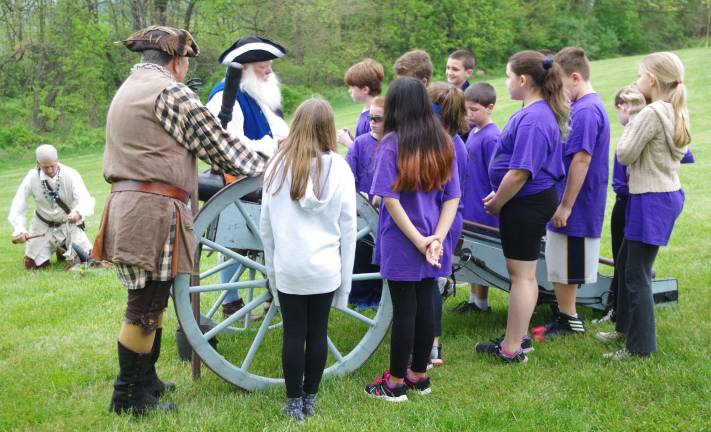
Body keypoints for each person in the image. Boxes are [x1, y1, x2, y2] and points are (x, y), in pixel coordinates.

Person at [91, 26, 268, 416]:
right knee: (145, 305)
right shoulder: (170, 91)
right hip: (151, 209)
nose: (186, 68)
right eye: (186, 61)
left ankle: (146, 380)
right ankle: (129, 398)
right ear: (177, 60)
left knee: (149, 299)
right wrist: (277, 167)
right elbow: (223, 150)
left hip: (134, 203)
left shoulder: (132, 86)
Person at [260, 98, 357, 421]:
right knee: (317, 333)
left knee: (293, 333)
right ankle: (310, 397)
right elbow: (349, 228)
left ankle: (293, 402)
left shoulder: (276, 167)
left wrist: (273, 273)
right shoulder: (340, 169)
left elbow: (266, 228)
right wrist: (345, 279)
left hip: (289, 266)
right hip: (325, 268)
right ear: (328, 128)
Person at [364, 77, 460, 401]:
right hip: (435, 239)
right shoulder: (443, 141)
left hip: (405, 240)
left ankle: (393, 384)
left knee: (404, 309)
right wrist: (437, 238)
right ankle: (419, 375)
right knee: (424, 305)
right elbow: (452, 198)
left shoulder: (392, 142)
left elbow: (389, 200)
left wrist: (420, 241)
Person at [474, 51, 568, 363]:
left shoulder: (536, 119)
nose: (506, 81)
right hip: (522, 201)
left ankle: (513, 348)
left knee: (522, 276)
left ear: (523, 80)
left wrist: (498, 201)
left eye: (508, 76)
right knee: (519, 274)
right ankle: (518, 338)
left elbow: (520, 172)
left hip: (526, 202)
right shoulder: (530, 111)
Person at [598, 52, 690, 359]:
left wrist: (633, 121)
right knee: (626, 263)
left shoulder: (651, 114)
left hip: (651, 198)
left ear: (651, 80)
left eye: (640, 76)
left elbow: (624, 154)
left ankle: (640, 349)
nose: (636, 81)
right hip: (657, 196)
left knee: (637, 274)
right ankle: (624, 328)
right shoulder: (673, 107)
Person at [205, 35, 289, 318]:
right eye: (263, 67)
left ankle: (277, 293)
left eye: (269, 66)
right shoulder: (224, 97)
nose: (269, 72)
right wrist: (272, 145)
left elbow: (281, 131)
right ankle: (231, 300)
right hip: (242, 182)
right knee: (234, 241)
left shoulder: (260, 96)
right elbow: (226, 144)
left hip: (271, 176)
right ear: (245, 70)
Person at [534, 47, 611, 341]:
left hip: (577, 202)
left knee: (568, 263)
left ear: (575, 78)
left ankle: (570, 320)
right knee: (559, 260)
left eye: (561, 84)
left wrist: (565, 205)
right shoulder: (582, 106)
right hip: (567, 199)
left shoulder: (587, 110)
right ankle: (563, 314)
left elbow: (581, 159)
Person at [426, 82, 469, 366]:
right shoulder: (452, 142)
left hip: (440, 220)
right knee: (432, 284)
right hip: (443, 219)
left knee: (432, 286)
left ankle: (432, 347)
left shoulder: (451, 147)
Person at [452, 83, 500, 314]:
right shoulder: (474, 132)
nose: (469, 115)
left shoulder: (491, 137)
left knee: (482, 255)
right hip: (469, 202)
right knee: (469, 253)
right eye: (467, 110)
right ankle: (473, 299)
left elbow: (496, 173)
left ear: (489, 108)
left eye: (474, 110)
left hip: (483, 206)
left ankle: (481, 302)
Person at [9, 144, 96, 270]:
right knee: (33, 265)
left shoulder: (71, 174)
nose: (50, 170)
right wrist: (19, 230)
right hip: (42, 228)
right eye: (45, 167)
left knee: (87, 258)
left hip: (68, 226)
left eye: (52, 166)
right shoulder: (31, 177)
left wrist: (78, 212)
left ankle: (62, 249)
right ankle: (58, 248)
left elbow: (86, 199)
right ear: (38, 163)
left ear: (57, 161)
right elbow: (18, 204)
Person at [345, 96, 385, 309]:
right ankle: (360, 296)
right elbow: (347, 173)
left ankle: (379, 295)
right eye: (371, 117)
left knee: (380, 255)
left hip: (387, 210)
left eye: (379, 118)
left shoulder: (395, 142)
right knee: (361, 251)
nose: (373, 122)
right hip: (362, 209)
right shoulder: (360, 144)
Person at [337, 59, 385, 148]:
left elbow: (370, 154)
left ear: (365, 90)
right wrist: (352, 139)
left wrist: (347, 142)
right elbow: (364, 143)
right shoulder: (366, 111)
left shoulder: (374, 116)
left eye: (352, 87)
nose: (349, 91)